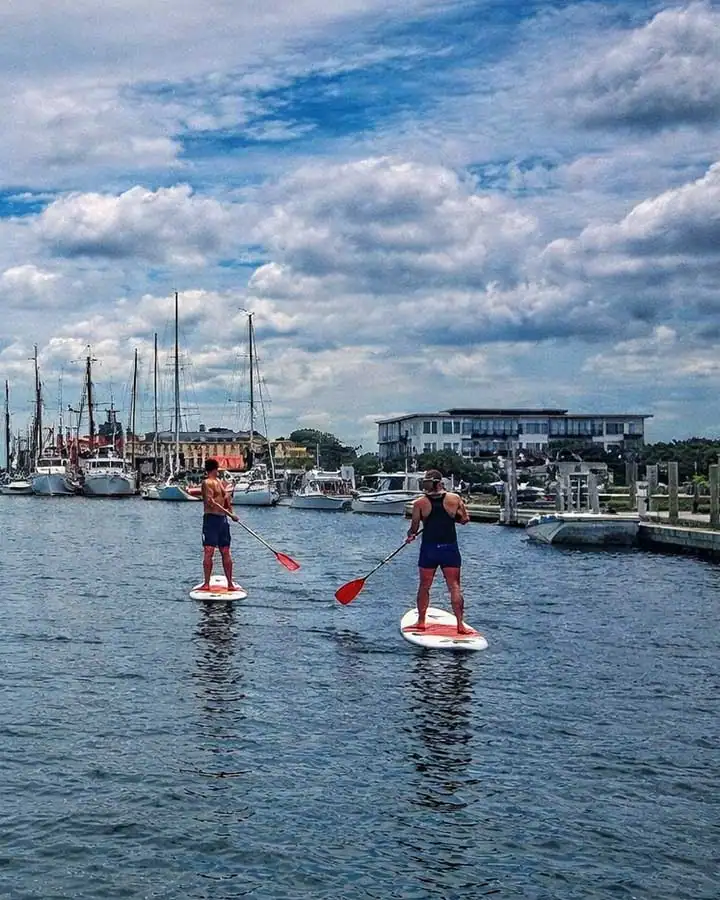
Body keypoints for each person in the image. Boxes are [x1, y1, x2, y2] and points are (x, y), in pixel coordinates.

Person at [406, 469, 471, 633]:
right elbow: (464, 519)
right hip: (449, 548)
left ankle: (421, 622)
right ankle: (460, 625)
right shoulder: (454, 499)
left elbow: (413, 529)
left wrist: (411, 535)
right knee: (454, 586)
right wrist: (450, 517)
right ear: (441, 482)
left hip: (429, 549)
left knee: (424, 586)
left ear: (429, 484)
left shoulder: (419, 503)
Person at [200, 458, 239, 592]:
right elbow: (211, 502)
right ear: (214, 469)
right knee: (209, 551)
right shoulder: (207, 483)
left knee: (225, 551)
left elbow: (226, 500)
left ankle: (230, 583)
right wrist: (230, 514)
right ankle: (206, 583)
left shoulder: (220, 483)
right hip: (212, 519)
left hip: (221, 520)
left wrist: (231, 513)